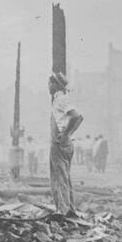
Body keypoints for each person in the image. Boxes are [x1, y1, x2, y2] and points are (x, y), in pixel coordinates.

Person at [48, 72, 83, 215]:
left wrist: (65, 134)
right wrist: (69, 133)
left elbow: (76, 116)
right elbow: (79, 118)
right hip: (64, 143)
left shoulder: (61, 99)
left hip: (59, 144)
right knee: (65, 177)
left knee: (59, 177)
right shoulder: (62, 99)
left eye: (50, 83)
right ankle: (69, 209)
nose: (48, 86)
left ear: (56, 85)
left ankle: (63, 211)